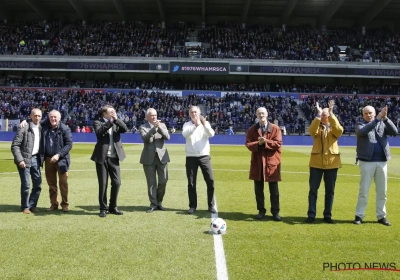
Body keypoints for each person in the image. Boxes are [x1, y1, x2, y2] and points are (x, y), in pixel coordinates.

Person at [353, 105, 398, 226]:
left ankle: (381, 216)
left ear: (374, 113)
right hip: (366, 162)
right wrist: (377, 119)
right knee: (364, 191)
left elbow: (395, 131)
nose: (368, 115)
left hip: (382, 161)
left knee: (382, 191)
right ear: (363, 115)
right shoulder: (359, 124)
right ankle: (359, 215)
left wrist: (386, 119)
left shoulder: (382, 122)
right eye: (366, 113)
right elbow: (362, 132)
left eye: (370, 113)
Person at [306, 100, 343, 224]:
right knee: (313, 190)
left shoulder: (334, 128)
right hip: (316, 163)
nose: (323, 116)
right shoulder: (317, 127)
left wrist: (332, 114)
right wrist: (317, 114)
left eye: (325, 115)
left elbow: (339, 130)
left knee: (330, 191)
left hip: (332, 163)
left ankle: (327, 215)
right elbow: (312, 131)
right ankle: (311, 214)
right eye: (322, 114)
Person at [245, 107, 282, 221]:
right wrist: (259, 143)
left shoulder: (275, 128)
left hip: (271, 163)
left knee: (274, 191)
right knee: (258, 190)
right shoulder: (252, 129)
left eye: (263, 113)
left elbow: (278, 143)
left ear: (267, 114)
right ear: (256, 115)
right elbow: (248, 144)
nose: (261, 115)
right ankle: (261, 211)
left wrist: (265, 142)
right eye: (259, 113)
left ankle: (275, 212)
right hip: (258, 164)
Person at [91, 105, 127, 218]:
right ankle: (103, 208)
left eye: (114, 111)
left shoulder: (116, 122)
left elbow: (125, 129)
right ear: (104, 114)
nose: (113, 113)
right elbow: (99, 132)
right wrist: (111, 121)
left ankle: (113, 207)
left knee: (117, 182)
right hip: (102, 157)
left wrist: (115, 120)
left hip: (114, 157)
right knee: (103, 184)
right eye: (111, 112)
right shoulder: (98, 122)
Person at [182, 106, 216, 214]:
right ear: (189, 114)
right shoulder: (187, 125)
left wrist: (204, 124)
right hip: (191, 157)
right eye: (192, 112)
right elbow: (185, 134)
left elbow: (211, 134)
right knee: (191, 183)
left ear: (199, 113)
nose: (194, 114)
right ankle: (192, 206)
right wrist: (195, 126)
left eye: (195, 112)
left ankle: (211, 206)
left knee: (210, 181)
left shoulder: (206, 124)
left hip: (204, 156)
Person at [11, 108, 43, 214]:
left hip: (36, 159)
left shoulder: (41, 128)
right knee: (26, 185)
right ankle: (25, 207)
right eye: (35, 115)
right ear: (31, 116)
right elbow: (15, 145)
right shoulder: (23, 127)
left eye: (39, 116)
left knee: (38, 184)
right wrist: (20, 160)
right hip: (24, 159)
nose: (37, 117)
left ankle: (32, 205)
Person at [139, 108, 170, 213]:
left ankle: (159, 202)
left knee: (163, 180)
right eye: (152, 115)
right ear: (147, 117)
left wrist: (159, 128)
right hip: (148, 158)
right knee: (151, 183)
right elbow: (146, 139)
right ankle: (153, 204)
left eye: (155, 115)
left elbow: (167, 137)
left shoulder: (163, 125)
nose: (154, 117)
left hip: (162, 157)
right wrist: (154, 129)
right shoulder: (143, 127)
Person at [42, 110, 73, 212]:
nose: (53, 119)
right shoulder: (45, 125)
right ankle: (54, 204)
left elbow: (69, 144)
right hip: (48, 159)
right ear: (48, 118)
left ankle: (65, 204)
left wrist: (58, 155)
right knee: (51, 184)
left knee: (63, 183)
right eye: (51, 117)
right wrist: (25, 121)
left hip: (62, 160)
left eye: (55, 117)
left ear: (59, 118)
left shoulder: (65, 129)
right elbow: (34, 120)